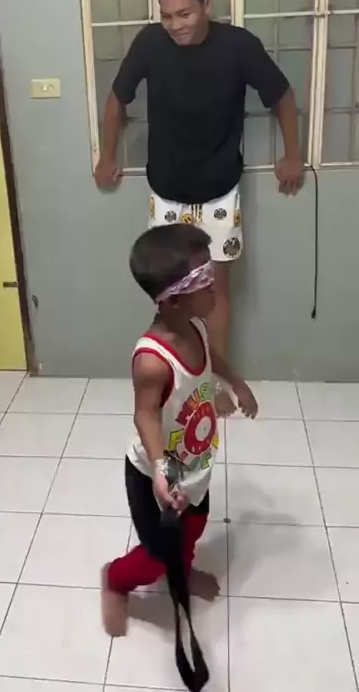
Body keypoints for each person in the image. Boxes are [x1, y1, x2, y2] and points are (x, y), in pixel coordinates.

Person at [94, 0, 304, 357]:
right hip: (166, 192)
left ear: (207, 5)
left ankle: (217, 376)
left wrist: (293, 156)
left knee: (214, 292)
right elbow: (117, 98)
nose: (175, 25)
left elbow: (282, 95)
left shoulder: (238, 45)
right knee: (170, 294)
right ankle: (182, 374)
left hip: (219, 193)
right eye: (167, 16)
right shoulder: (150, 43)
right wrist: (106, 156)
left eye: (184, 14)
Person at [101, 223, 258, 637]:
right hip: (154, 473)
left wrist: (236, 383)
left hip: (194, 465)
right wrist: (159, 469)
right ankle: (115, 580)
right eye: (204, 278)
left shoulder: (197, 326)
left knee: (195, 525)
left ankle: (181, 571)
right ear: (172, 300)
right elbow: (145, 416)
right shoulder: (152, 361)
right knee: (157, 553)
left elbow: (211, 358)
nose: (214, 284)